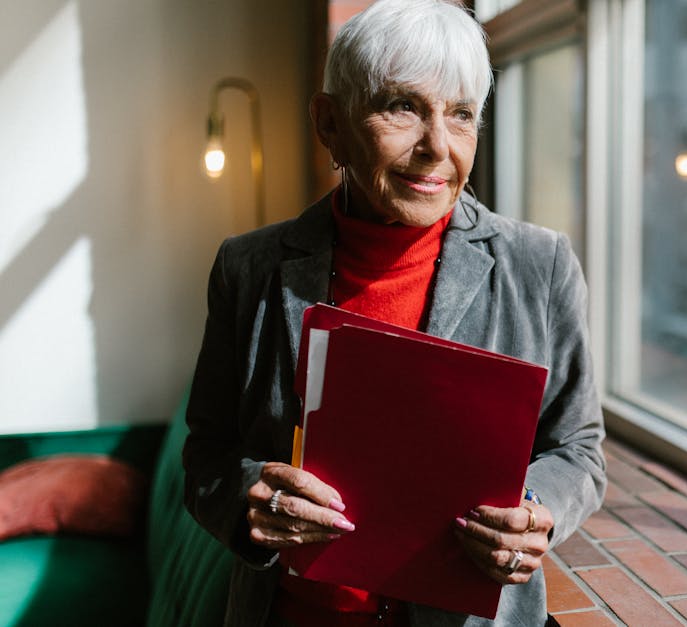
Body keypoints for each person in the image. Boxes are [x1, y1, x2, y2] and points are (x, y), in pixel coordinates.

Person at [182, 1, 606, 625]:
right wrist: (252, 494)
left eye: (461, 114)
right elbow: (207, 455)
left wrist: (535, 508)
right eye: (403, 107)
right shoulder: (248, 269)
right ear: (330, 123)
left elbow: (578, 447)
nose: (437, 146)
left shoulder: (539, 265)